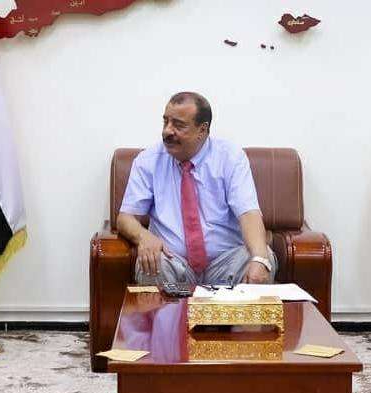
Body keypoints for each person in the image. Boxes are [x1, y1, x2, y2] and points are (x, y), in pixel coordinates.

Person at [118, 92, 276, 286]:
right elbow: (125, 217)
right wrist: (144, 236)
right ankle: (165, 309)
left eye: (178, 125)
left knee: (262, 258)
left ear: (202, 129)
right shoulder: (148, 161)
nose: (167, 131)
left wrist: (259, 258)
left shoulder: (230, 157)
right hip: (173, 261)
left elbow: (248, 213)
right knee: (151, 261)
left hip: (226, 263)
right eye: (166, 121)